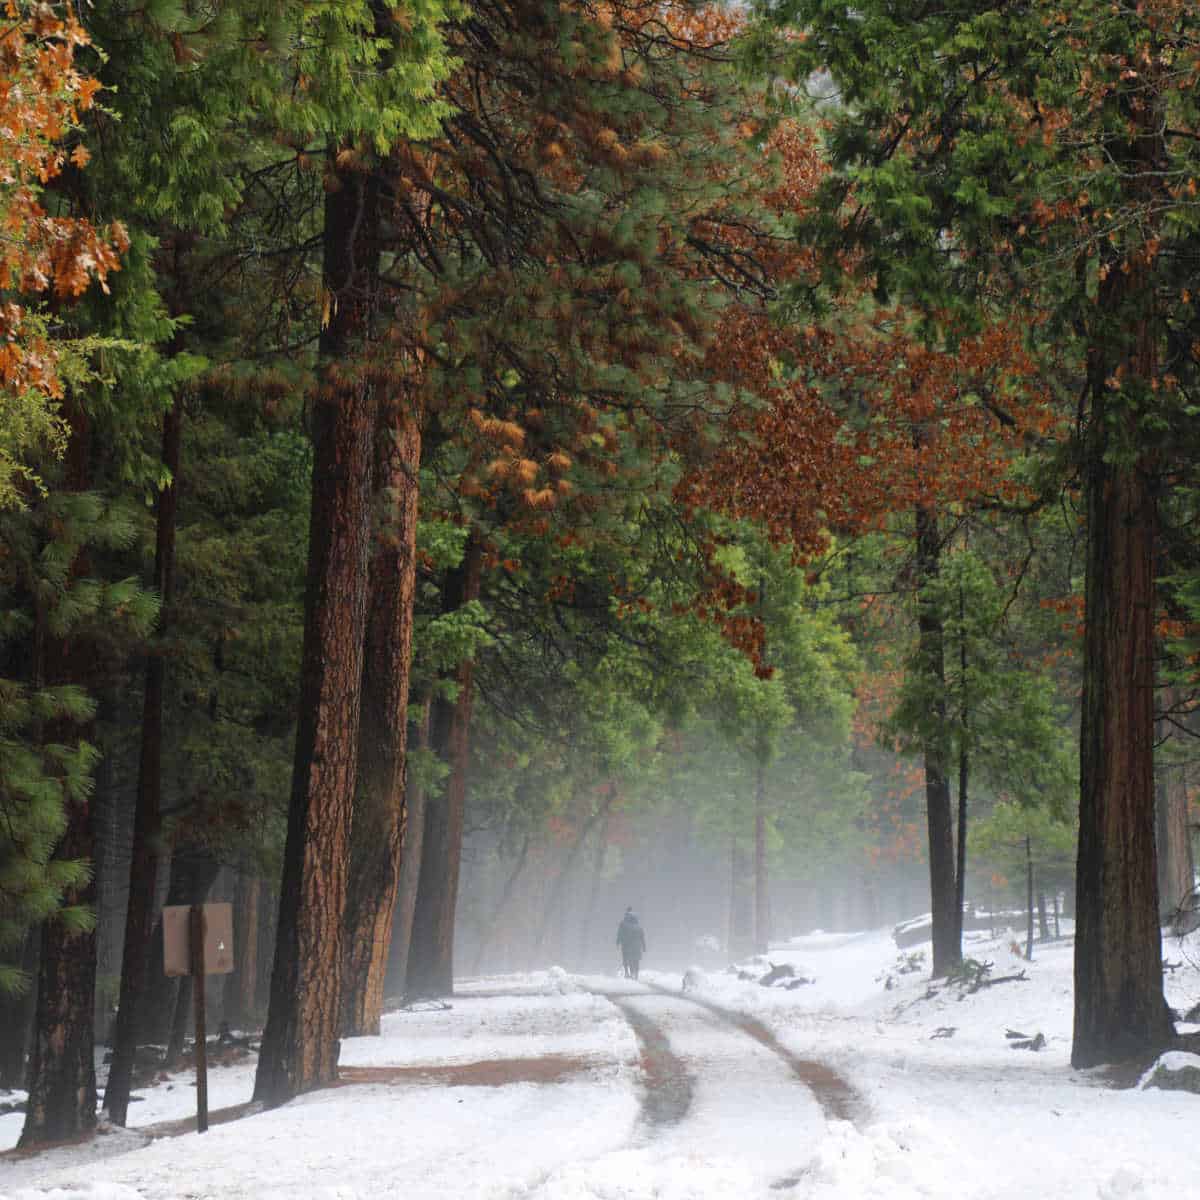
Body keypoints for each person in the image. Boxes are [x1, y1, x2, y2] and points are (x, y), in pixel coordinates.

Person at [616, 907, 646, 979]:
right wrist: (644, 946)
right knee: (636, 959)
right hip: (636, 945)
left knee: (626, 958)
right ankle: (635, 973)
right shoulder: (638, 927)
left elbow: (620, 933)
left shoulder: (623, 923)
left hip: (626, 943)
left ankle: (627, 972)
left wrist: (618, 941)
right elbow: (642, 937)